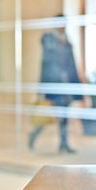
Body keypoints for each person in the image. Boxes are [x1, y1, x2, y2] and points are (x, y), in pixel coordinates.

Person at [28, 14, 83, 153]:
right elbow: (47, 64)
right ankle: (34, 134)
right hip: (54, 86)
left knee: (63, 116)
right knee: (48, 115)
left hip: (66, 86)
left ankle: (63, 143)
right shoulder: (50, 39)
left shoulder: (65, 40)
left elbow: (71, 65)